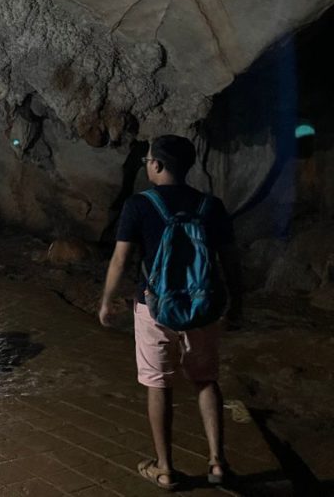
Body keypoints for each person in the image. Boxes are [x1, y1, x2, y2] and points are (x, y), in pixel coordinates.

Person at [99, 135, 243, 491]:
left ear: (158, 165)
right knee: (206, 380)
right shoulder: (211, 206)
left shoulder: (139, 205)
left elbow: (121, 258)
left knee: (158, 384)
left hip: (155, 309)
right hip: (203, 309)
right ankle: (218, 463)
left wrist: (107, 299)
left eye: (148, 159)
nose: (147, 164)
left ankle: (164, 468)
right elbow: (230, 261)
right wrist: (238, 301)